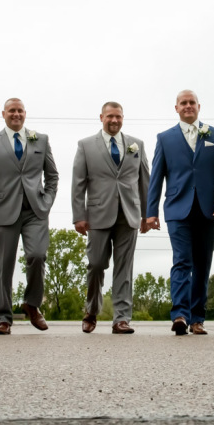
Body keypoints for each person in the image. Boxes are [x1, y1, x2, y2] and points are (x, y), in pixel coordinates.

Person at [146, 90, 214, 336]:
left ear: (198, 106)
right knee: (182, 261)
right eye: (183, 103)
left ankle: (198, 319)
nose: (187, 106)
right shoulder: (165, 138)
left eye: (191, 103)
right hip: (177, 208)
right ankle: (180, 315)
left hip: (209, 210)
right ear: (176, 108)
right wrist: (150, 212)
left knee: (202, 265)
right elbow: (156, 178)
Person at [0, 98, 58, 335]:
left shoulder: (41, 140)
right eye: (12, 111)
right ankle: (3, 318)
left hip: (35, 211)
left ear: (25, 114)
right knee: (3, 267)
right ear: (4, 114)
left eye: (20, 111)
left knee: (38, 256)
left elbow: (53, 176)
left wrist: (47, 202)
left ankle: (32, 303)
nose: (16, 114)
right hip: (3, 211)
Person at [71, 101, 150, 334]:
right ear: (101, 117)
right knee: (96, 264)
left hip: (129, 214)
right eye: (110, 117)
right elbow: (78, 184)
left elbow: (145, 182)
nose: (114, 121)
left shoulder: (137, 145)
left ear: (123, 118)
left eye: (118, 117)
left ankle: (121, 319)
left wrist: (148, 215)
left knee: (124, 268)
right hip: (97, 215)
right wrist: (78, 216)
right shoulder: (85, 146)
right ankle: (92, 311)